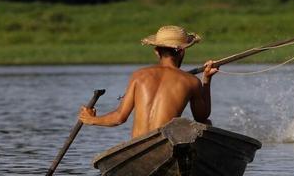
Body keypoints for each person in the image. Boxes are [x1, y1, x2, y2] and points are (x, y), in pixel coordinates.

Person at [78, 25, 218, 138]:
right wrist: (206, 80)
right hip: (164, 146)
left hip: (137, 147)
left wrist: (92, 120)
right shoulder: (191, 81)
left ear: (156, 51)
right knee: (207, 124)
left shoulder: (139, 75)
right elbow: (202, 117)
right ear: (182, 52)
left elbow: (119, 118)